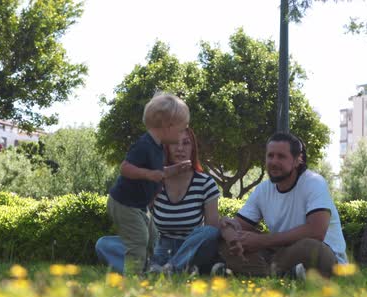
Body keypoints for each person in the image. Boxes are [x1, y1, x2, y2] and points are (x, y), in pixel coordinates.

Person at [217, 132, 347, 279]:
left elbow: (316, 231)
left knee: (311, 247)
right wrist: (230, 231)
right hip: (281, 255)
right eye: (270, 156)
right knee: (223, 242)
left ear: (298, 160)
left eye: (281, 156)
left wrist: (261, 241)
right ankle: (285, 273)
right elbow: (239, 225)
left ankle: (253, 271)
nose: (274, 162)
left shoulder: (314, 182)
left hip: (321, 255)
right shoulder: (263, 189)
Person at [96, 93, 192, 274]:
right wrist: (148, 174)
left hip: (139, 206)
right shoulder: (144, 145)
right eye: (181, 130)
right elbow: (125, 168)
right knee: (139, 239)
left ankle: (147, 269)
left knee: (153, 239)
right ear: (168, 126)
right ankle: (133, 276)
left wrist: (174, 170)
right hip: (124, 204)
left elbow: (159, 174)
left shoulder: (157, 147)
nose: (181, 136)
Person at [148, 127, 221, 274]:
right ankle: (161, 267)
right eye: (174, 143)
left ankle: (169, 268)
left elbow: (211, 229)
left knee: (210, 232)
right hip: (161, 248)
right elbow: (137, 215)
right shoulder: (155, 180)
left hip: (191, 249)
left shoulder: (206, 183)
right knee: (104, 244)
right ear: (166, 147)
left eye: (186, 143)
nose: (180, 148)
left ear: (193, 148)